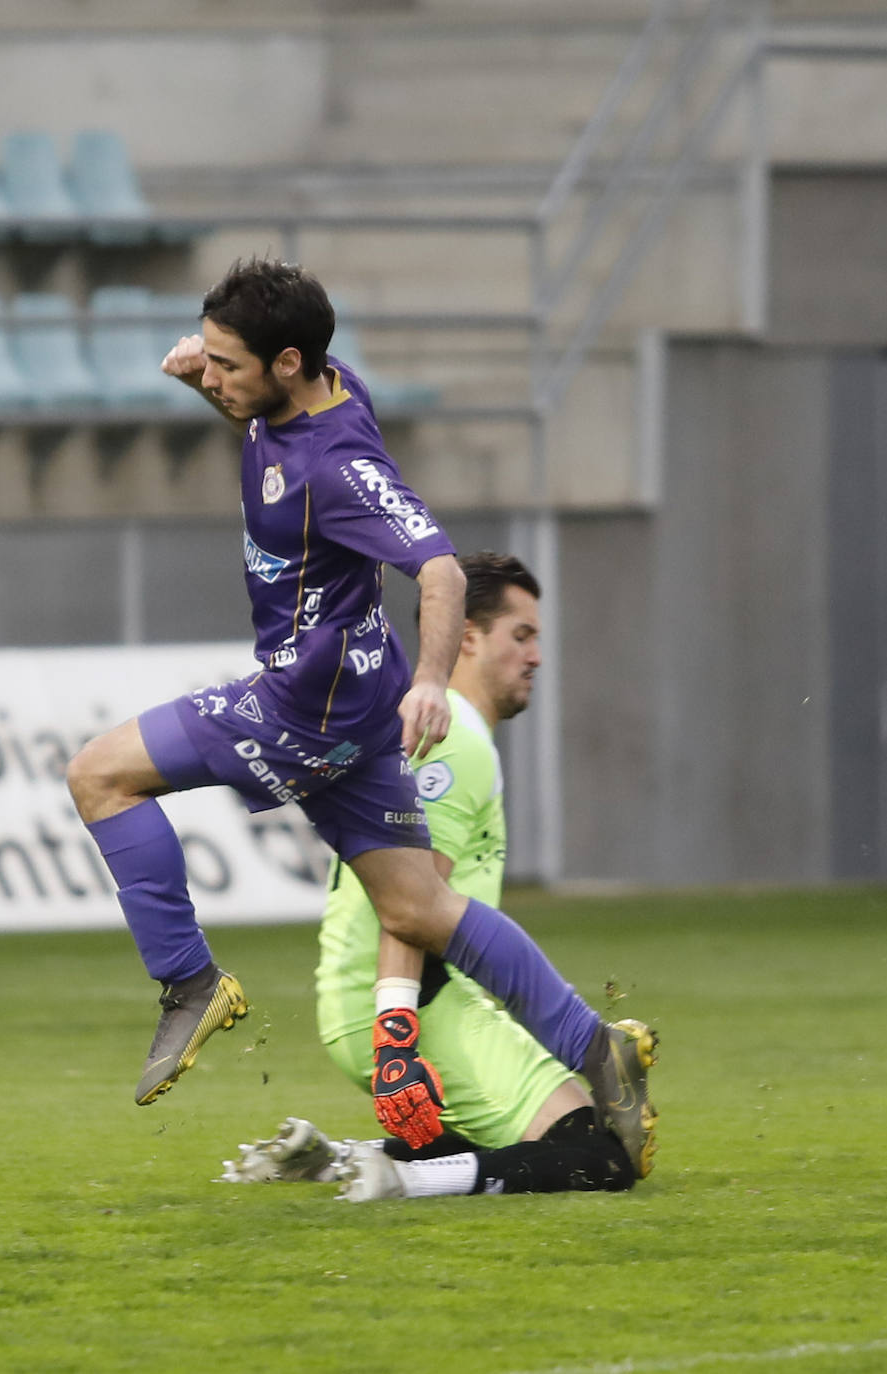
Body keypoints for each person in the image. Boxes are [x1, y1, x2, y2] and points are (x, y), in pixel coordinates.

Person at [65, 258, 650, 1165]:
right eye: (208, 358)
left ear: (289, 362)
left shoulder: (340, 465)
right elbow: (261, 426)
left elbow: (442, 569)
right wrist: (205, 386)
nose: (211, 375)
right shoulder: (317, 393)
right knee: (419, 909)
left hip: (305, 709)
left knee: (98, 775)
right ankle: (592, 1047)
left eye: (227, 364)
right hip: (358, 710)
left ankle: (191, 985)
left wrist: (431, 679)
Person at [221, 553, 651, 1199]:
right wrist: (396, 1039)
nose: (535, 655)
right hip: (410, 1002)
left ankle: (331, 1158)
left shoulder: (435, 726)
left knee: (511, 1139)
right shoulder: (452, 738)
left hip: (383, 997)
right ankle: (397, 1180)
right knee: (601, 1157)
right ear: (468, 637)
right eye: (521, 635)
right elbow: (406, 905)